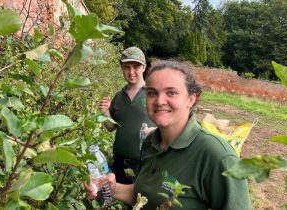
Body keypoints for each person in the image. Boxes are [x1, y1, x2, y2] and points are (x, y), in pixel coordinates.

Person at [87, 60, 252, 209]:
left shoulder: (218, 156)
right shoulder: (150, 142)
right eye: (152, 93)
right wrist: (111, 187)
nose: (159, 101)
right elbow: (144, 195)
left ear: (191, 99)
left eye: (171, 92)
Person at [99, 46, 155, 184]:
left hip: (146, 165)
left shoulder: (153, 93)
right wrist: (105, 112)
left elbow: (169, 125)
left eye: (136, 66)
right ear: (121, 68)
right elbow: (111, 127)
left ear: (144, 67)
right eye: (126, 67)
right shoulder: (119, 96)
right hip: (119, 165)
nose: (131, 72)